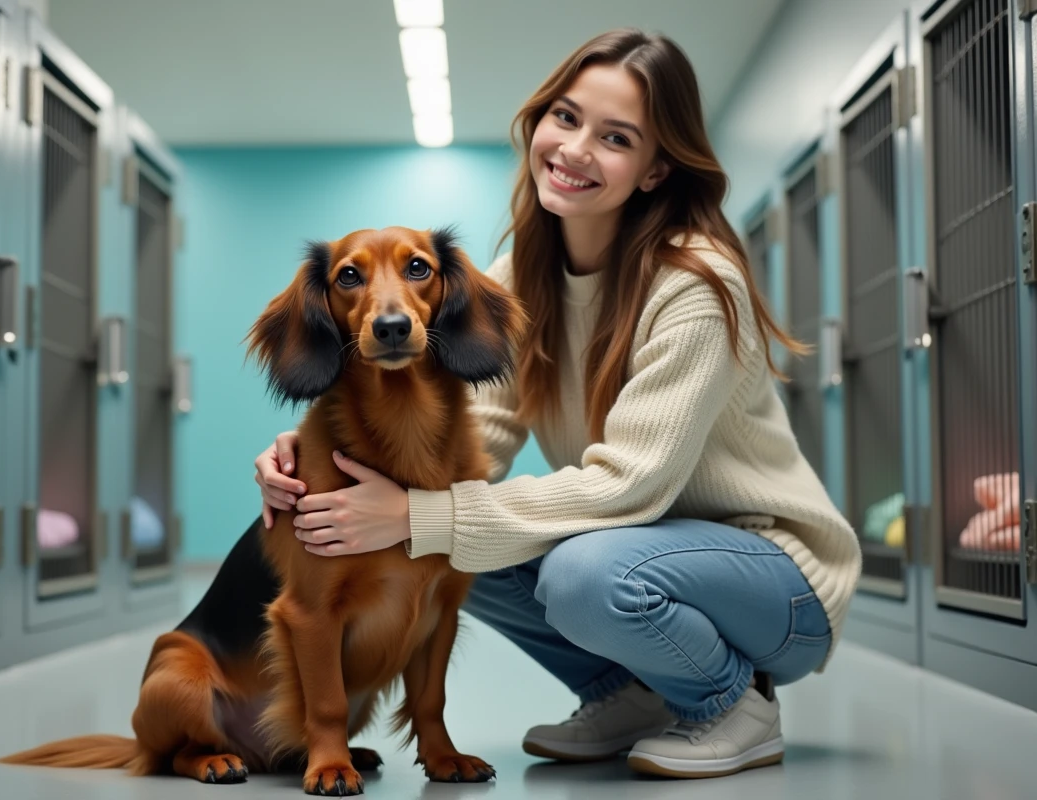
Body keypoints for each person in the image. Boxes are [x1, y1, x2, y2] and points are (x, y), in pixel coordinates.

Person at [253, 28, 860, 779]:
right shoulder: (523, 277)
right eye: (566, 118)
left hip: (774, 580)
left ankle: (731, 703)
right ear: (540, 121)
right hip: (646, 550)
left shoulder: (694, 285)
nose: (574, 150)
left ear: (654, 168)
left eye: (615, 137)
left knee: (565, 567)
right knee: (459, 545)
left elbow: (631, 484)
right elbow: (475, 435)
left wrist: (420, 516)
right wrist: (311, 459)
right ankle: (631, 692)